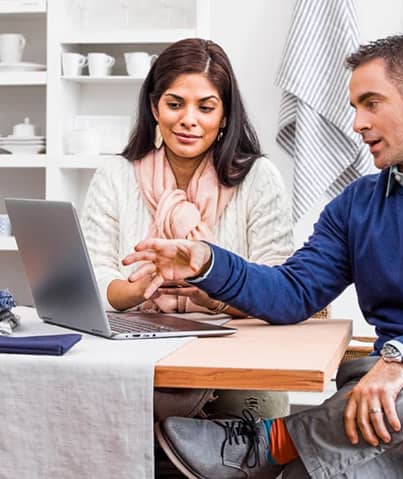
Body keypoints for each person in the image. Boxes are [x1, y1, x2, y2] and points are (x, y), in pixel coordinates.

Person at [123, 35, 403, 479]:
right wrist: (207, 263)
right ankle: (285, 449)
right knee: (302, 476)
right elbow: (293, 293)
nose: (356, 123)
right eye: (354, 107)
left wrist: (399, 358)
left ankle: (279, 439)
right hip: (386, 418)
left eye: (371, 103)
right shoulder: (355, 205)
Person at [81, 38, 293, 421]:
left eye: (206, 107)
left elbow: (279, 284)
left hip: (237, 358)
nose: (189, 119)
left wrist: (213, 293)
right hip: (134, 351)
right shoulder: (114, 176)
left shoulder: (259, 178)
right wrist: (137, 290)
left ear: (225, 114)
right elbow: (95, 275)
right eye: (175, 104)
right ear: (154, 108)